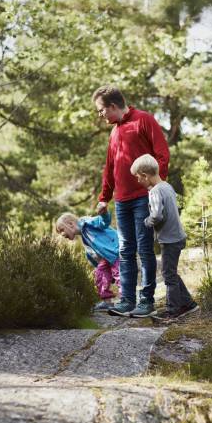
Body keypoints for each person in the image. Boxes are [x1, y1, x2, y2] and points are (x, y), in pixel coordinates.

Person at [92, 85, 170, 318]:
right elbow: (110, 167)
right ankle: (127, 299)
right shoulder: (114, 132)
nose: (100, 115)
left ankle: (146, 301)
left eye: (101, 110)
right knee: (125, 250)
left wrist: (156, 188)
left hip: (143, 199)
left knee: (145, 250)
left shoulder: (144, 120)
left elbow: (162, 154)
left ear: (113, 106)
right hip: (122, 201)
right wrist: (104, 198)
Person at [130, 154, 198, 320]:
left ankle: (173, 310)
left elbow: (157, 216)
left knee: (168, 277)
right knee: (171, 273)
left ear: (145, 176)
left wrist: (146, 221)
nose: (138, 181)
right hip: (178, 236)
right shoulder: (167, 186)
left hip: (170, 239)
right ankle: (189, 303)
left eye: (138, 178)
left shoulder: (154, 192)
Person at [56, 212, 120, 311]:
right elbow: (93, 254)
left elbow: (104, 221)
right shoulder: (84, 236)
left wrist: (104, 213)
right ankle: (107, 302)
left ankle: (126, 300)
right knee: (100, 275)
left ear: (70, 224)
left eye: (61, 230)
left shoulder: (88, 223)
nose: (62, 234)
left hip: (115, 251)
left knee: (120, 275)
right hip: (105, 257)